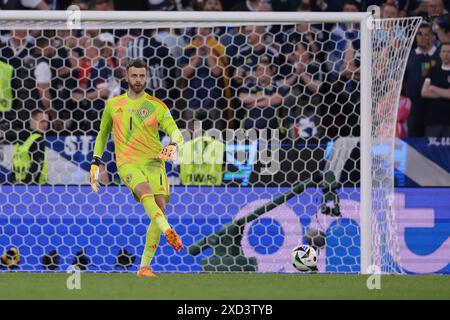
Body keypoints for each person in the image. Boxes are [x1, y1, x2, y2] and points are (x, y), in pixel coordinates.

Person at [90, 59, 184, 277]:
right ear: (127, 77)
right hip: (127, 163)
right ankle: (168, 230)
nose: (138, 80)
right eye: (134, 76)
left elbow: (176, 132)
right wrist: (95, 161)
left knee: (159, 209)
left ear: (147, 78)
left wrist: (172, 145)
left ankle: (144, 267)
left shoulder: (157, 106)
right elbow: (103, 134)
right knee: (145, 193)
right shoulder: (113, 105)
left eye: (142, 76)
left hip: (154, 162)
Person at [405, 23, 440, 137]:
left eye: (427, 34)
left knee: (434, 149)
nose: (423, 37)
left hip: (436, 112)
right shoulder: (408, 55)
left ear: (433, 37)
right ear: (415, 37)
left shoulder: (442, 54)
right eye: (420, 34)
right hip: (413, 112)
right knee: (413, 148)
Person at [420, 42, 450, 137]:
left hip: (448, 122)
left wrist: (433, 88)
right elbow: (424, 92)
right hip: (433, 121)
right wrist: (445, 93)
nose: (446, 54)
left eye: (449, 52)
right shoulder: (433, 69)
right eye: (444, 51)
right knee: (430, 151)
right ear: (440, 54)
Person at [12, 109, 48, 184]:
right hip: (33, 187)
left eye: (47, 122)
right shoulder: (37, 139)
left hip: (21, 185)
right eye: (42, 121)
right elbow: (38, 164)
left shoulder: (22, 138)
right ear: (31, 121)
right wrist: (27, 184)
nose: (45, 125)